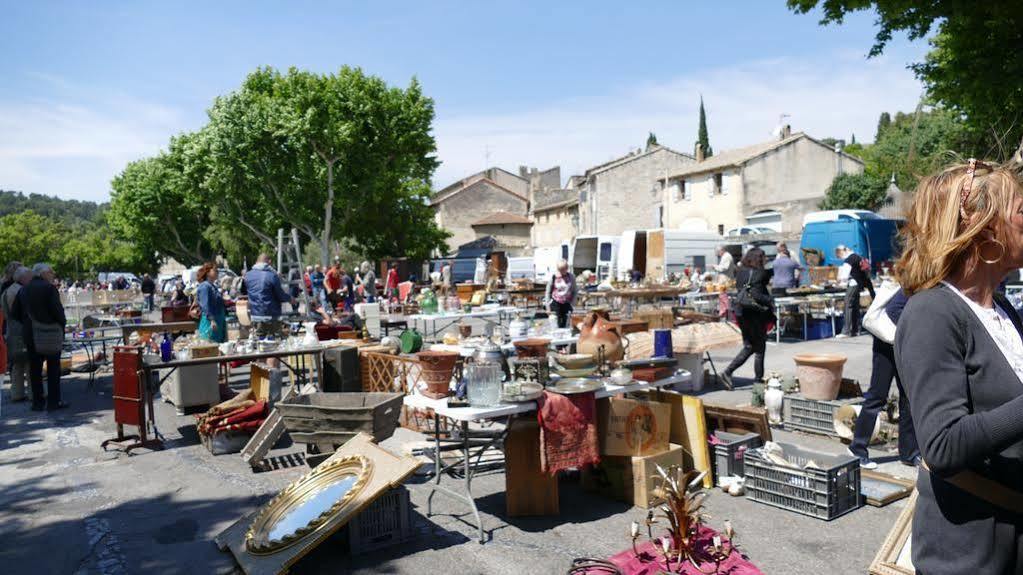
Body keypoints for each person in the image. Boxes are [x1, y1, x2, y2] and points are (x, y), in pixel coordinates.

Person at [894, 160, 1023, 574]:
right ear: (985, 227)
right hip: (970, 552)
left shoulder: (1000, 309)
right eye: (1021, 209)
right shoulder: (933, 312)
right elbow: (943, 445)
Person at [847, 287, 919, 469]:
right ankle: (857, 448)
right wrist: (914, 330)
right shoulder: (914, 285)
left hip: (901, 346)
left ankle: (909, 453)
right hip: (886, 347)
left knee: (908, 398)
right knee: (877, 396)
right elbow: (893, 310)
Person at [10, 264, 67, 411]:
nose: (53, 275)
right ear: (43, 274)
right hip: (50, 333)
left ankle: (38, 402)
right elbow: (58, 312)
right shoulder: (49, 288)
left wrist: (28, 323)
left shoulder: (23, 289)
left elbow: (14, 313)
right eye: (51, 272)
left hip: (30, 334)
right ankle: (54, 402)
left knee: (34, 370)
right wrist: (60, 326)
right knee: (53, 368)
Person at [719, 248, 773, 389]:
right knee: (759, 348)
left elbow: (741, 291)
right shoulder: (760, 273)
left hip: (741, 312)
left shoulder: (740, 272)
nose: (765, 259)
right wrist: (770, 299)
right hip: (754, 313)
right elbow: (757, 295)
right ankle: (757, 381)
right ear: (759, 259)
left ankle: (728, 372)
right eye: (764, 257)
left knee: (749, 346)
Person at [243, 254, 294, 338]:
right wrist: (290, 299)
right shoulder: (272, 276)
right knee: (275, 343)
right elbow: (280, 295)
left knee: (260, 342)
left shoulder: (248, 276)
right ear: (269, 262)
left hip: (255, 315)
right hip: (271, 315)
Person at [3, 266, 31, 403]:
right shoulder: (19, 290)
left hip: (10, 330)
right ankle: (33, 393)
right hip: (20, 330)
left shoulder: (6, 290)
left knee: (16, 364)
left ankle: (17, 393)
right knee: (28, 362)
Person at [836, 244, 875, 338]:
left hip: (853, 284)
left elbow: (844, 276)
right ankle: (856, 330)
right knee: (855, 306)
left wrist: (839, 281)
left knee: (848, 305)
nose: (840, 258)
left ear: (842, 251)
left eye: (839, 255)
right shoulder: (858, 257)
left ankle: (846, 331)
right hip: (860, 284)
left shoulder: (849, 260)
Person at [195, 263, 227, 343]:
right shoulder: (204, 286)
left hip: (218, 321)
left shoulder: (212, 286)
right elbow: (205, 305)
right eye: (215, 270)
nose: (217, 272)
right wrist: (212, 320)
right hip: (210, 322)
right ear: (208, 272)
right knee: (209, 345)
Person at [545, 259, 577, 329]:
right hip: (556, 302)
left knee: (566, 322)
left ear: (567, 268)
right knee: (556, 322)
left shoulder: (571, 277)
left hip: (567, 303)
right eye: (560, 269)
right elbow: (548, 292)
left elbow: (575, 290)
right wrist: (548, 307)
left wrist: (573, 303)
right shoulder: (553, 277)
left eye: (563, 269)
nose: (561, 271)